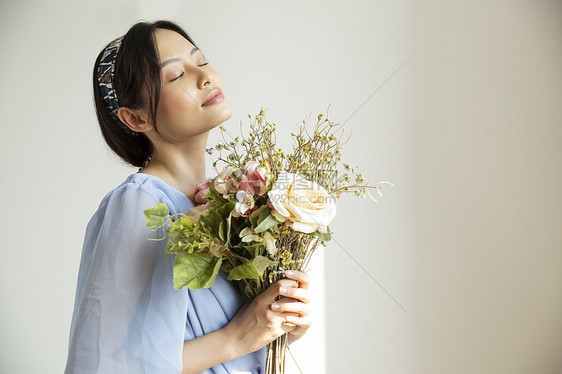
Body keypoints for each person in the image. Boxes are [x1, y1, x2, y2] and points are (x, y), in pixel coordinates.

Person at [64, 20, 313, 374]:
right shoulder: (140, 204)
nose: (205, 76)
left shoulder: (233, 199)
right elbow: (115, 363)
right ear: (136, 118)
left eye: (202, 60)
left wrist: (283, 321)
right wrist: (238, 337)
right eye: (176, 75)